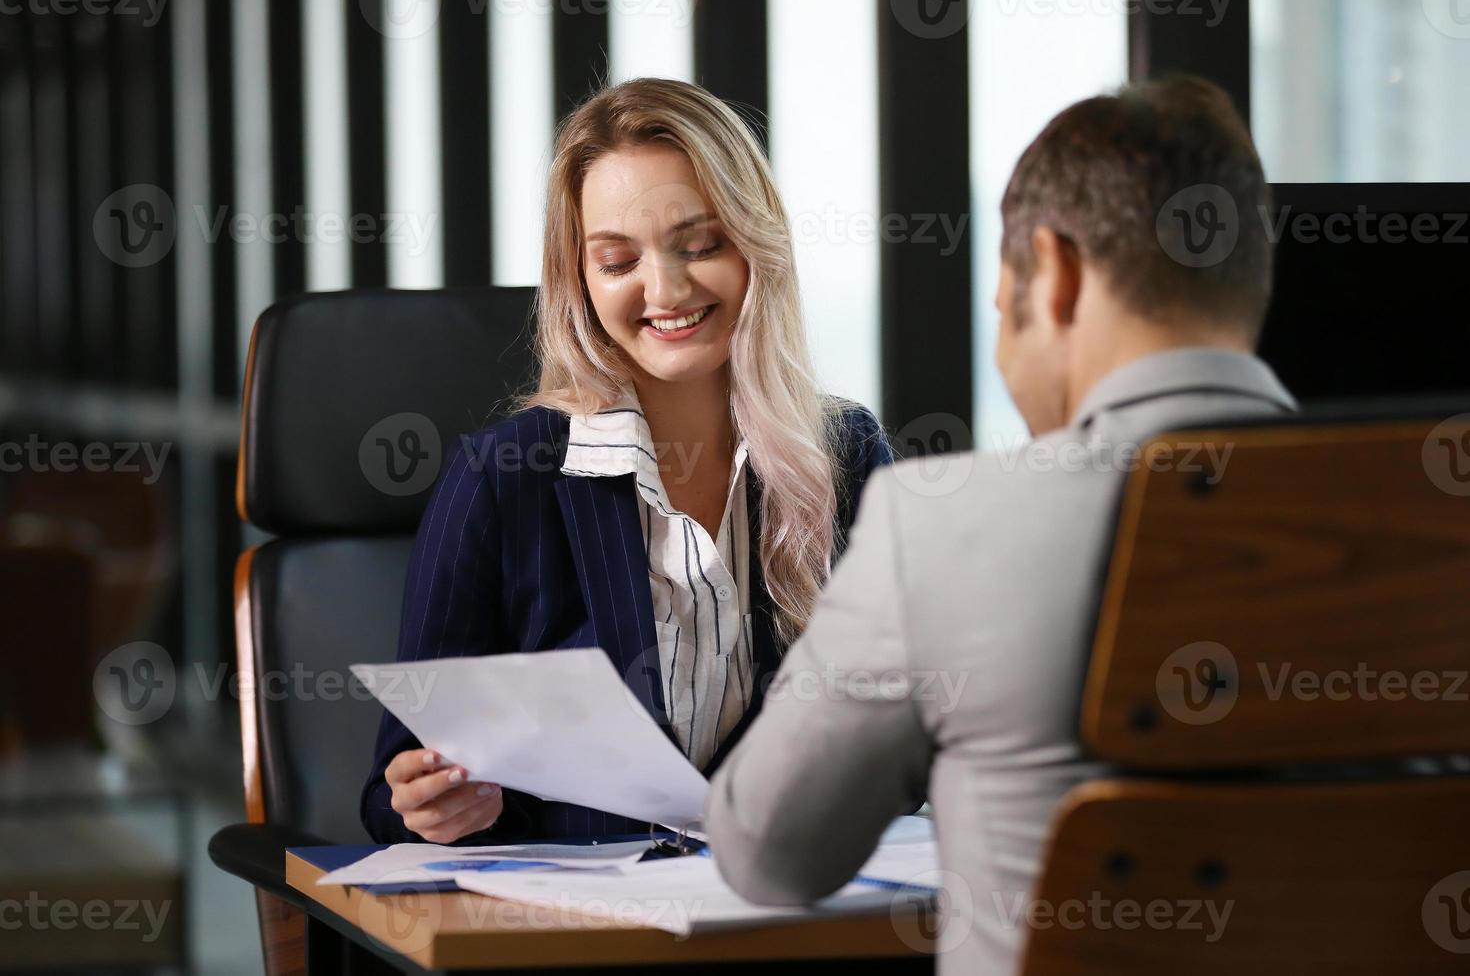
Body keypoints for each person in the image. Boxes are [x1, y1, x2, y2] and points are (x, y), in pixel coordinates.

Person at [703, 76, 1297, 974]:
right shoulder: (1432, 526)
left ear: (1052, 275)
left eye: (999, 304)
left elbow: (767, 852)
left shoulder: (944, 530)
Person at [360, 78, 892, 845]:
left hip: (786, 906)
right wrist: (432, 805)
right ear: (579, 277)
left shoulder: (843, 455)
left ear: (757, 243)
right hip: (579, 930)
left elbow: (899, 735)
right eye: (618, 261)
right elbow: (391, 788)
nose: (665, 289)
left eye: (701, 245)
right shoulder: (502, 479)